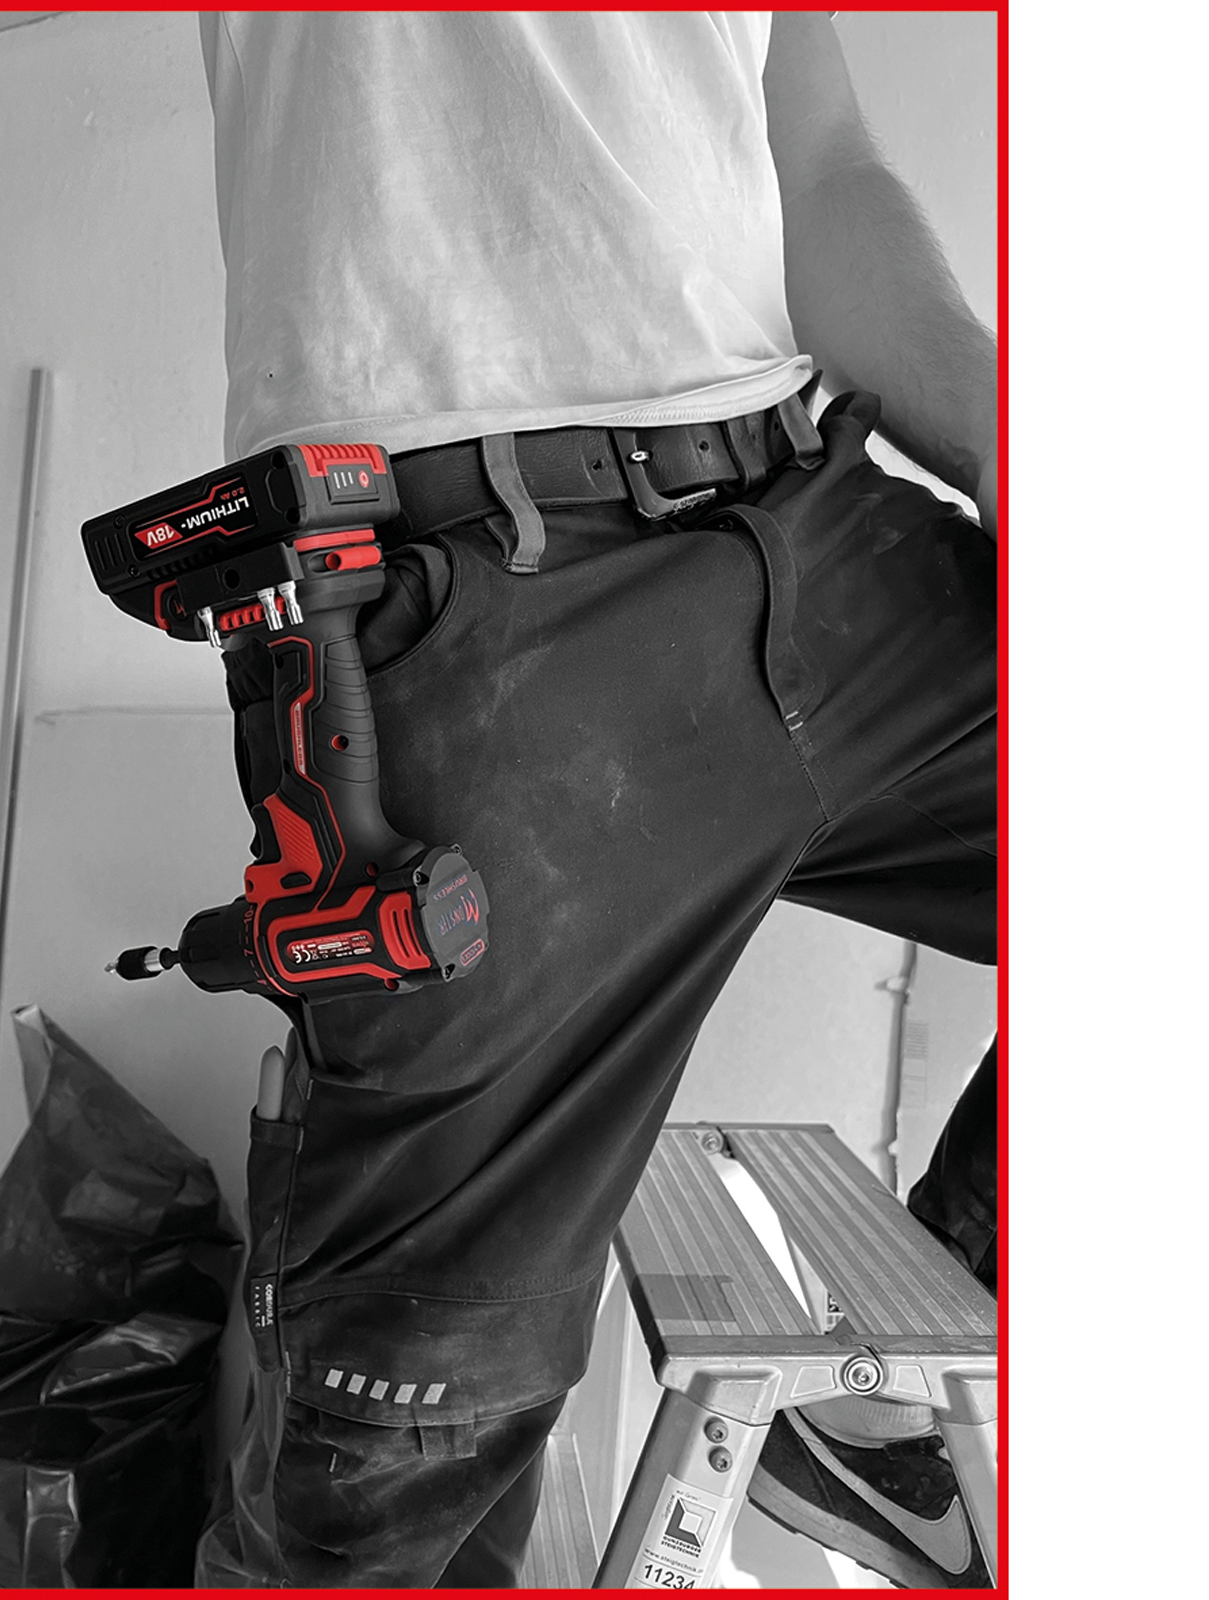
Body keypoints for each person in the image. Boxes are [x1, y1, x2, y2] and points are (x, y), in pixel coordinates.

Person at [191, 10, 998, 1588]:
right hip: (485, 594)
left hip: (819, 518)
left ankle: (876, 1412)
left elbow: (823, 165)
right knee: (399, 1475)